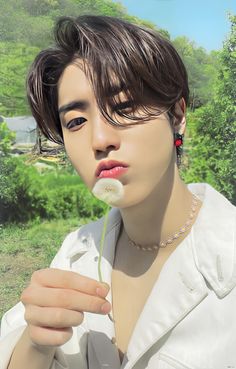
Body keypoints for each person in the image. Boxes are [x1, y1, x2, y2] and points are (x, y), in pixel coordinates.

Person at [0, 15, 235, 369]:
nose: (99, 140)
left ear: (177, 114)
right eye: (76, 122)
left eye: (124, 106)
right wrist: (36, 342)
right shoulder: (75, 251)